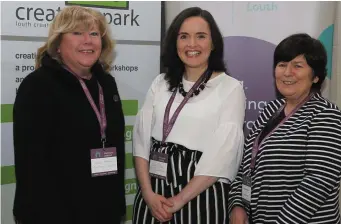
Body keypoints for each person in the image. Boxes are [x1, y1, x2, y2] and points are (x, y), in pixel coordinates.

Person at [13, 6, 126, 224]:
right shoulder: (37, 86)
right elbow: (31, 167)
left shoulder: (106, 84)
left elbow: (115, 148)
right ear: (58, 43)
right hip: (56, 214)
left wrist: (116, 207)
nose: (88, 40)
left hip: (104, 211)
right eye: (77, 33)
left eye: (94, 34)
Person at [132, 7, 246, 224]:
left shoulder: (230, 88)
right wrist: (147, 193)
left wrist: (180, 199)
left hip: (201, 194)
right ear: (175, 43)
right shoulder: (160, 83)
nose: (191, 44)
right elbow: (140, 140)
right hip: (153, 193)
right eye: (184, 36)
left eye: (201, 36)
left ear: (213, 44)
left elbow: (223, 155)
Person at [229, 33, 341, 224]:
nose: (287, 72)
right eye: (282, 64)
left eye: (297, 66)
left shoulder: (326, 115)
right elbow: (246, 164)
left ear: (316, 76)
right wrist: (237, 205)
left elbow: (317, 183)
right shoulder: (270, 110)